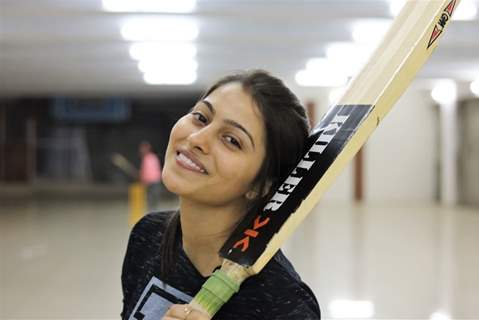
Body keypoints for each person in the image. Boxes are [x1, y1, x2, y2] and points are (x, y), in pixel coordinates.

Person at [121, 70, 321, 320]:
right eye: (201, 117)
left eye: (231, 140)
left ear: (262, 185)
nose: (196, 138)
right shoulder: (148, 237)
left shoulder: (284, 304)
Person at [139, 141, 162, 210]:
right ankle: (151, 211)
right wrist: (143, 178)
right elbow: (144, 171)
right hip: (151, 182)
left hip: (154, 181)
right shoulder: (147, 158)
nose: (142, 150)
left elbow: (152, 170)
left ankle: (153, 211)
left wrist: (143, 178)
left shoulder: (152, 157)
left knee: (153, 198)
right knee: (150, 198)